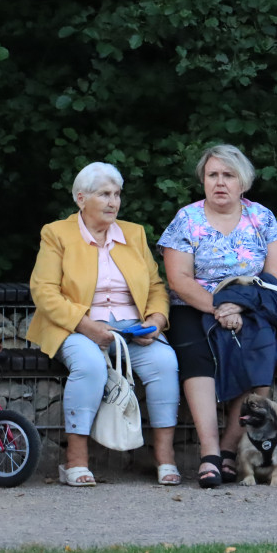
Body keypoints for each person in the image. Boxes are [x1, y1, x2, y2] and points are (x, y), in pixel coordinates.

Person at [26, 162, 179, 487]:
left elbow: (155, 287)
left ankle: (166, 460)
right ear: (81, 198)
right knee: (91, 365)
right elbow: (44, 291)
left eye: (117, 194)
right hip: (75, 325)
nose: (113, 202)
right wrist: (85, 326)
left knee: (166, 362)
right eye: (104, 194)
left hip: (130, 328)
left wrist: (156, 319)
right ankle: (75, 462)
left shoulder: (133, 233)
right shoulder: (56, 233)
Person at [158, 144, 277, 488]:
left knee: (259, 350)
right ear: (203, 180)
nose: (220, 183)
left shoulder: (262, 218)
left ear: (242, 182)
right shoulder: (187, 219)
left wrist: (240, 306)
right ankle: (211, 454)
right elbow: (179, 279)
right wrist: (218, 308)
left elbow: (275, 278)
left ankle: (230, 451)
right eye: (212, 175)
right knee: (196, 354)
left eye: (228, 175)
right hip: (194, 305)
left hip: (250, 305)